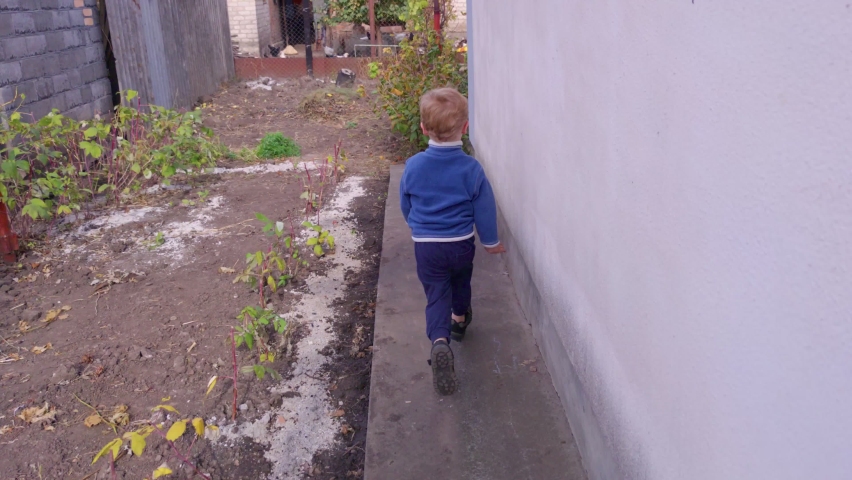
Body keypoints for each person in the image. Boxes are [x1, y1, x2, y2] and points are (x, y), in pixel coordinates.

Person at [399, 88, 506, 396]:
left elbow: (406, 202)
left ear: (423, 128)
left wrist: (415, 224)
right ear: (465, 127)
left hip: (427, 246)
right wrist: (490, 241)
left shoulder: (414, 166)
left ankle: (439, 341)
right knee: (460, 281)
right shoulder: (471, 169)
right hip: (460, 243)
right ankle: (459, 319)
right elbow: (484, 209)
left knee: (436, 295)